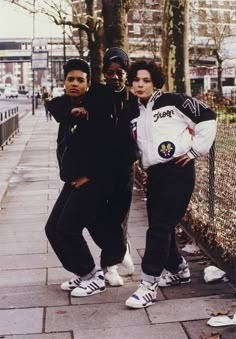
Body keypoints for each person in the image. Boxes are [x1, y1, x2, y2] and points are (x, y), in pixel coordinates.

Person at [115, 60, 217, 309]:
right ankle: (178, 269)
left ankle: (148, 284)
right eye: (136, 80)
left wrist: (195, 151)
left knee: (159, 227)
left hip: (178, 171)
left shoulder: (174, 101)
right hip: (155, 175)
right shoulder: (133, 110)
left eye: (146, 80)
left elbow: (208, 116)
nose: (140, 84)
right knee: (163, 226)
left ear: (155, 82)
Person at [60, 48, 138, 289]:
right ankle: (116, 252)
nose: (114, 77)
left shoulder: (134, 100)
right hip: (101, 169)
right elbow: (67, 105)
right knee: (95, 217)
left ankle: (109, 266)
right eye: (109, 72)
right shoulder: (97, 94)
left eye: (120, 72)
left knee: (117, 218)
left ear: (127, 74)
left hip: (123, 170)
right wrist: (79, 111)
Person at [45, 58, 120, 297]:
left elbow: (110, 149)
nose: (74, 84)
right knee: (52, 229)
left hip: (96, 180)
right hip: (74, 179)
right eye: (70, 79)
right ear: (64, 82)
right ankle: (81, 272)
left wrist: (89, 175)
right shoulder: (66, 107)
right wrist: (70, 110)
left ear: (88, 84)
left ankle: (92, 276)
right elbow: (56, 106)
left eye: (80, 80)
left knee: (68, 228)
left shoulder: (96, 106)